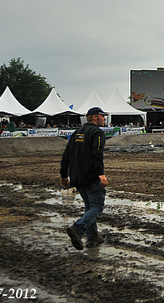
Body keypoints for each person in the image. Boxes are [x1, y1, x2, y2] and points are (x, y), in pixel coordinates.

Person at [60, 107, 109, 250]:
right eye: (102, 116)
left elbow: (66, 154)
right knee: (97, 207)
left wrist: (64, 175)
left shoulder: (77, 132)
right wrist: (101, 174)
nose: (104, 119)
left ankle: (93, 237)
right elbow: (97, 153)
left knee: (89, 206)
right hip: (91, 176)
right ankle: (78, 228)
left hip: (77, 176)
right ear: (95, 117)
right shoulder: (97, 132)